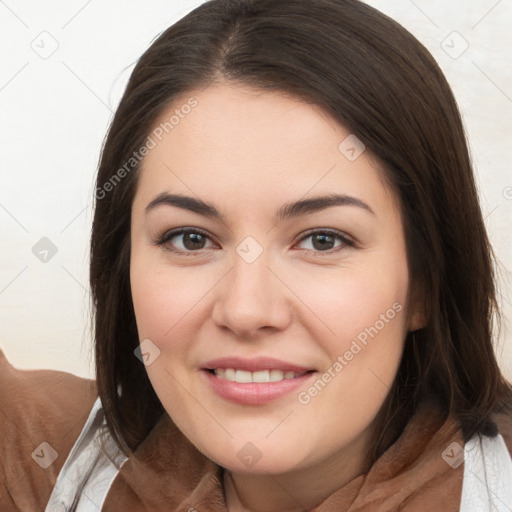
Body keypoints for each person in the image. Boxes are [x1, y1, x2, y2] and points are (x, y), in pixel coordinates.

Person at [2, 0, 512, 510]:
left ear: (425, 280)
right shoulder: (36, 459)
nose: (247, 310)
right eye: (191, 239)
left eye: (322, 240)